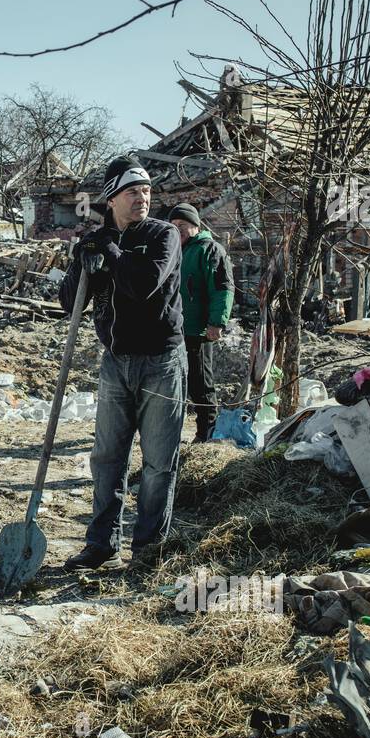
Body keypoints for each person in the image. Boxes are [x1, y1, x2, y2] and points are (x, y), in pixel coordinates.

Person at [59, 155, 187, 570]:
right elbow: (68, 305)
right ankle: (101, 544)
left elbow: (144, 285)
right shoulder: (100, 242)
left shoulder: (162, 235)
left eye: (147, 191)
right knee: (107, 458)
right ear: (112, 199)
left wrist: (111, 251)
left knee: (156, 463)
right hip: (116, 362)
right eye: (133, 192)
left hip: (160, 363)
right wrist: (83, 263)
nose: (143, 199)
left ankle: (148, 551)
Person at [168, 203, 234, 442]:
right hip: (173, 330)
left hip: (198, 329)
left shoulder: (209, 250)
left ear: (195, 226)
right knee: (174, 383)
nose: (178, 230)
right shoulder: (173, 250)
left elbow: (222, 288)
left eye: (183, 225)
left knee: (201, 383)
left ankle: (206, 434)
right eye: (174, 226)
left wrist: (217, 322)